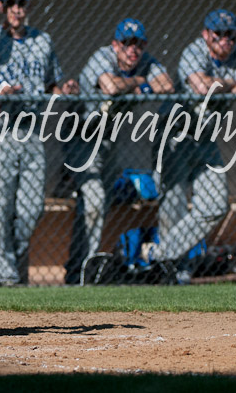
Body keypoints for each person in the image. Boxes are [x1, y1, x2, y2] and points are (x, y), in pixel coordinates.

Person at [0, 0, 78, 286]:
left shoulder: (43, 41)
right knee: (0, 211)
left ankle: (3, 264)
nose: (16, 9)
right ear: (1, 7)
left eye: (21, 3)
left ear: (28, 6)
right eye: (10, 3)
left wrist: (64, 88)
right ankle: (8, 278)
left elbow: (54, 82)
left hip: (31, 130)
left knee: (30, 210)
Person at [147, 9, 236, 284]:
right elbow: (202, 86)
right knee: (173, 206)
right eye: (219, 34)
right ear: (206, 34)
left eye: (230, 35)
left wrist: (222, 85)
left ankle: (162, 257)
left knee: (215, 204)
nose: (225, 40)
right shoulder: (194, 51)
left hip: (205, 139)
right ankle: (173, 273)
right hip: (174, 136)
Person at [63, 18, 173, 284]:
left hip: (109, 140)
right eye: (126, 43)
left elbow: (167, 85)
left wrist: (138, 83)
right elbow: (110, 86)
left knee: (96, 205)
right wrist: (139, 82)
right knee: (94, 201)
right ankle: (84, 273)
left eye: (138, 44)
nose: (132, 49)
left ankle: (76, 268)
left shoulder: (146, 61)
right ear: (115, 44)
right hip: (82, 136)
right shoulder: (102, 57)